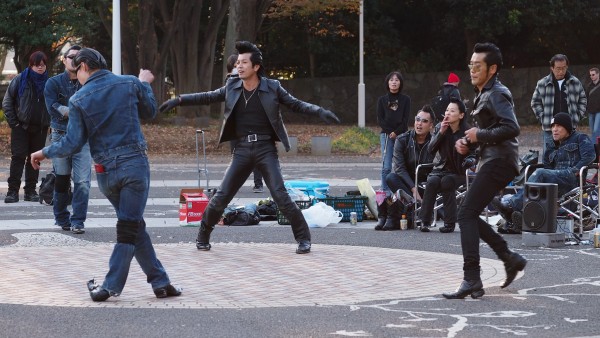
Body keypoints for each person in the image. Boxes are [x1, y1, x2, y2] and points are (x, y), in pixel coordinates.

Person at [158, 41, 340, 254]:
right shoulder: (232, 87)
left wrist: (320, 111)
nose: (239, 66)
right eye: (237, 63)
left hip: (265, 149)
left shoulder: (272, 87)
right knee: (221, 196)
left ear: (256, 67)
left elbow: (297, 104)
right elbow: (207, 96)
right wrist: (179, 100)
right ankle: (203, 235)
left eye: (244, 63)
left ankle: (303, 239)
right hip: (242, 149)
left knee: (281, 196)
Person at [30, 48, 181, 302]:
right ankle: (110, 287)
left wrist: (44, 152)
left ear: (85, 67)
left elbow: (72, 142)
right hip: (134, 165)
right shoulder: (129, 83)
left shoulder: (78, 99)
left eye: (76, 70)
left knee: (132, 225)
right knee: (129, 227)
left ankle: (160, 282)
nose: (75, 76)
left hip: (105, 172)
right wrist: (144, 83)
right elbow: (150, 112)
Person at [444, 42, 526, 299]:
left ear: (492, 68)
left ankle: (473, 278)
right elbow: (492, 133)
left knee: (466, 214)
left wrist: (478, 134)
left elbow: (511, 128)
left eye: (477, 66)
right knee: (468, 214)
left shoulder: (497, 93)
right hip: (493, 160)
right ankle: (508, 258)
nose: (472, 70)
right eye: (471, 65)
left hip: (500, 161)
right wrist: (469, 143)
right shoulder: (483, 94)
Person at [491, 113, 595, 231]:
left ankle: (511, 206)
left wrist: (575, 171)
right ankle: (520, 217)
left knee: (540, 173)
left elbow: (589, 156)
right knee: (537, 175)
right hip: (555, 180)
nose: (554, 129)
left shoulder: (580, 138)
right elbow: (547, 165)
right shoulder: (551, 144)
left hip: (572, 178)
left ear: (567, 128)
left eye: (558, 126)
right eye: (552, 126)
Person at [44, 45, 91, 234]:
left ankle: (78, 221)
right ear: (64, 59)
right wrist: (77, 111)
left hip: (83, 137)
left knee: (82, 181)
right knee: (62, 179)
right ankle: (61, 217)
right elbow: (53, 108)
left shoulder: (89, 83)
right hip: (60, 135)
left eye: (79, 58)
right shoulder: (53, 83)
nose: (75, 60)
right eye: (72, 56)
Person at [418, 97, 477, 233]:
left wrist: (469, 160)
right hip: (441, 169)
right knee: (432, 181)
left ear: (461, 115)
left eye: (452, 111)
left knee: (447, 182)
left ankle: (449, 223)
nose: (448, 113)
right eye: (447, 110)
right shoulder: (440, 127)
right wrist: (441, 133)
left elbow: (475, 155)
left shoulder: (467, 131)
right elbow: (430, 150)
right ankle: (424, 221)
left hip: (460, 171)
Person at [376, 105, 436, 231]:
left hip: (426, 184)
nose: (419, 124)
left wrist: (421, 188)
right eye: (417, 119)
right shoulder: (402, 139)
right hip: (407, 185)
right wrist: (413, 189)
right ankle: (415, 207)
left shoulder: (435, 142)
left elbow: (438, 165)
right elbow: (399, 168)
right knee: (391, 177)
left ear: (431, 125)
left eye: (424, 121)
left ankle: (415, 208)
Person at [2, 51, 50, 203]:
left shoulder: (50, 82)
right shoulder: (20, 79)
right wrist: (14, 124)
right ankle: (12, 192)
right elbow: (7, 102)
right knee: (18, 157)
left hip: (41, 127)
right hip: (20, 126)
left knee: (34, 159)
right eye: (37, 65)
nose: (40, 68)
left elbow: (54, 104)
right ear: (31, 65)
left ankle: (30, 191)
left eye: (43, 65)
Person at [224, 53, 264, 193]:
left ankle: (258, 183)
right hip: (235, 126)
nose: (239, 68)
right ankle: (232, 184)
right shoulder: (229, 82)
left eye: (241, 65)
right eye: (236, 66)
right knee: (236, 155)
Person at [531, 54, 586, 150]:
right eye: (558, 68)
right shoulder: (542, 83)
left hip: (570, 128)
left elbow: (583, 99)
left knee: (570, 158)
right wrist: (543, 117)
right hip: (550, 129)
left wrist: (578, 115)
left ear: (567, 67)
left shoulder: (575, 82)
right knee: (549, 159)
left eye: (564, 68)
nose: (561, 71)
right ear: (552, 68)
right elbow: (535, 102)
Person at [376, 71, 410, 196]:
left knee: (402, 165)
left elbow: (405, 120)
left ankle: (403, 190)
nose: (394, 82)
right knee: (386, 166)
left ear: (400, 83)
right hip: (386, 135)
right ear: (387, 83)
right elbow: (380, 119)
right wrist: (390, 132)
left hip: (401, 135)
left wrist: (396, 132)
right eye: (391, 80)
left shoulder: (406, 100)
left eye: (396, 80)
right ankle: (385, 191)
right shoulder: (382, 100)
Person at [586, 67, 600, 144]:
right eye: (590, 75)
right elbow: (586, 98)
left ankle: (595, 148)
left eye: (593, 74)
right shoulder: (589, 86)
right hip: (591, 111)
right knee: (592, 131)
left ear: (598, 74)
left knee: (596, 130)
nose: (591, 76)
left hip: (599, 111)